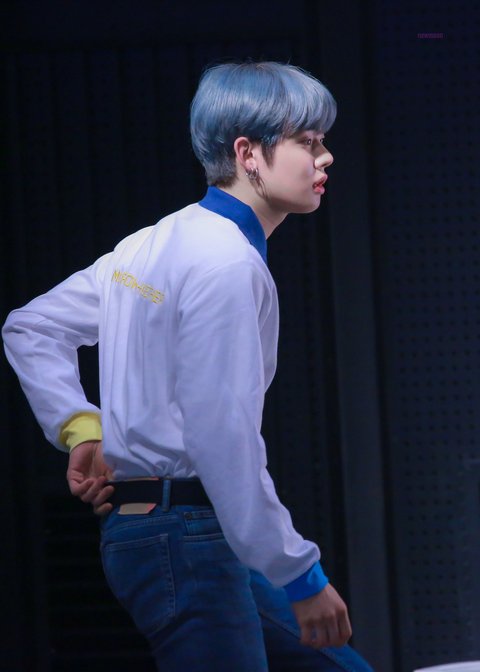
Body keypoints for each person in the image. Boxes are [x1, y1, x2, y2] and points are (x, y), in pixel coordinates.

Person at [3, 61, 374, 671]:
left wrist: (82, 430)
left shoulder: (149, 244)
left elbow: (30, 326)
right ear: (248, 154)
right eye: (308, 142)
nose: (325, 156)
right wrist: (300, 574)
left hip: (169, 532)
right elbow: (221, 436)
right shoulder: (226, 263)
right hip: (187, 538)